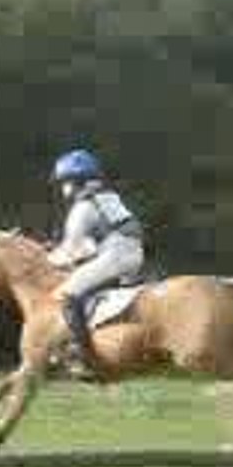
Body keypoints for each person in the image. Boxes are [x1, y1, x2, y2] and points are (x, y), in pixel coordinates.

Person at [46, 149, 145, 376]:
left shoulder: (83, 208)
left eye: (64, 182)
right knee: (90, 292)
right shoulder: (109, 197)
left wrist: (46, 260)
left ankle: (84, 357)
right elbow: (91, 244)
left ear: (76, 181)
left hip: (116, 255)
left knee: (67, 295)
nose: (62, 188)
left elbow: (70, 251)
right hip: (133, 254)